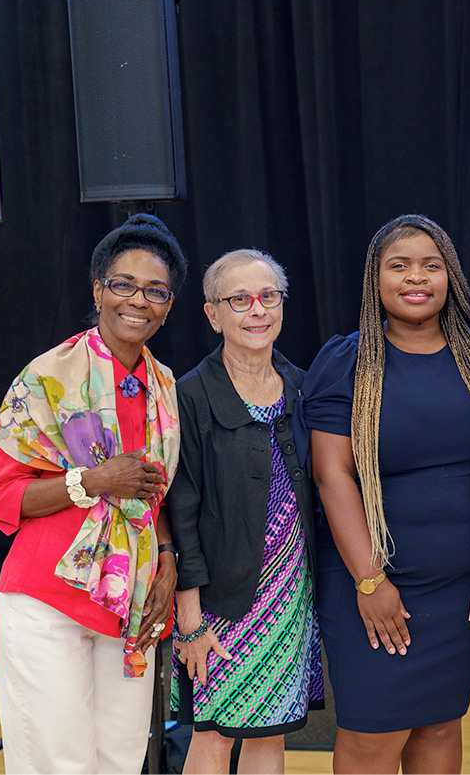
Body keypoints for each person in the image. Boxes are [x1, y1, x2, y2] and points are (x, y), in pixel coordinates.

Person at [0, 213, 187, 773]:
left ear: (169, 305)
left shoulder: (165, 386)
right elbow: (4, 498)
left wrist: (168, 556)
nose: (137, 301)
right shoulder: (47, 377)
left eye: (155, 290)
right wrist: (90, 482)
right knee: (58, 763)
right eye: (123, 284)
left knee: (120, 761)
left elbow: (156, 494)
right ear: (98, 289)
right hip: (47, 599)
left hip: (131, 601)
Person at [298, 215, 470, 774]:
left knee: (438, 725)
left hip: (461, 586)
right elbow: (331, 475)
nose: (417, 277)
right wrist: (369, 580)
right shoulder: (347, 362)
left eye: (432, 265)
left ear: (450, 275)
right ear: (375, 279)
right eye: (399, 265)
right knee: (372, 736)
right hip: (374, 581)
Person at [166, 249, 324, 772]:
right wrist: (189, 623)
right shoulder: (188, 395)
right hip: (221, 604)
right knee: (212, 736)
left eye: (268, 297)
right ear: (213, 314)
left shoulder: (304, 387)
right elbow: (179, 512)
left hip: (291, 598)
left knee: (270, 736)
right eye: (239, 299)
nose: (257, 310)